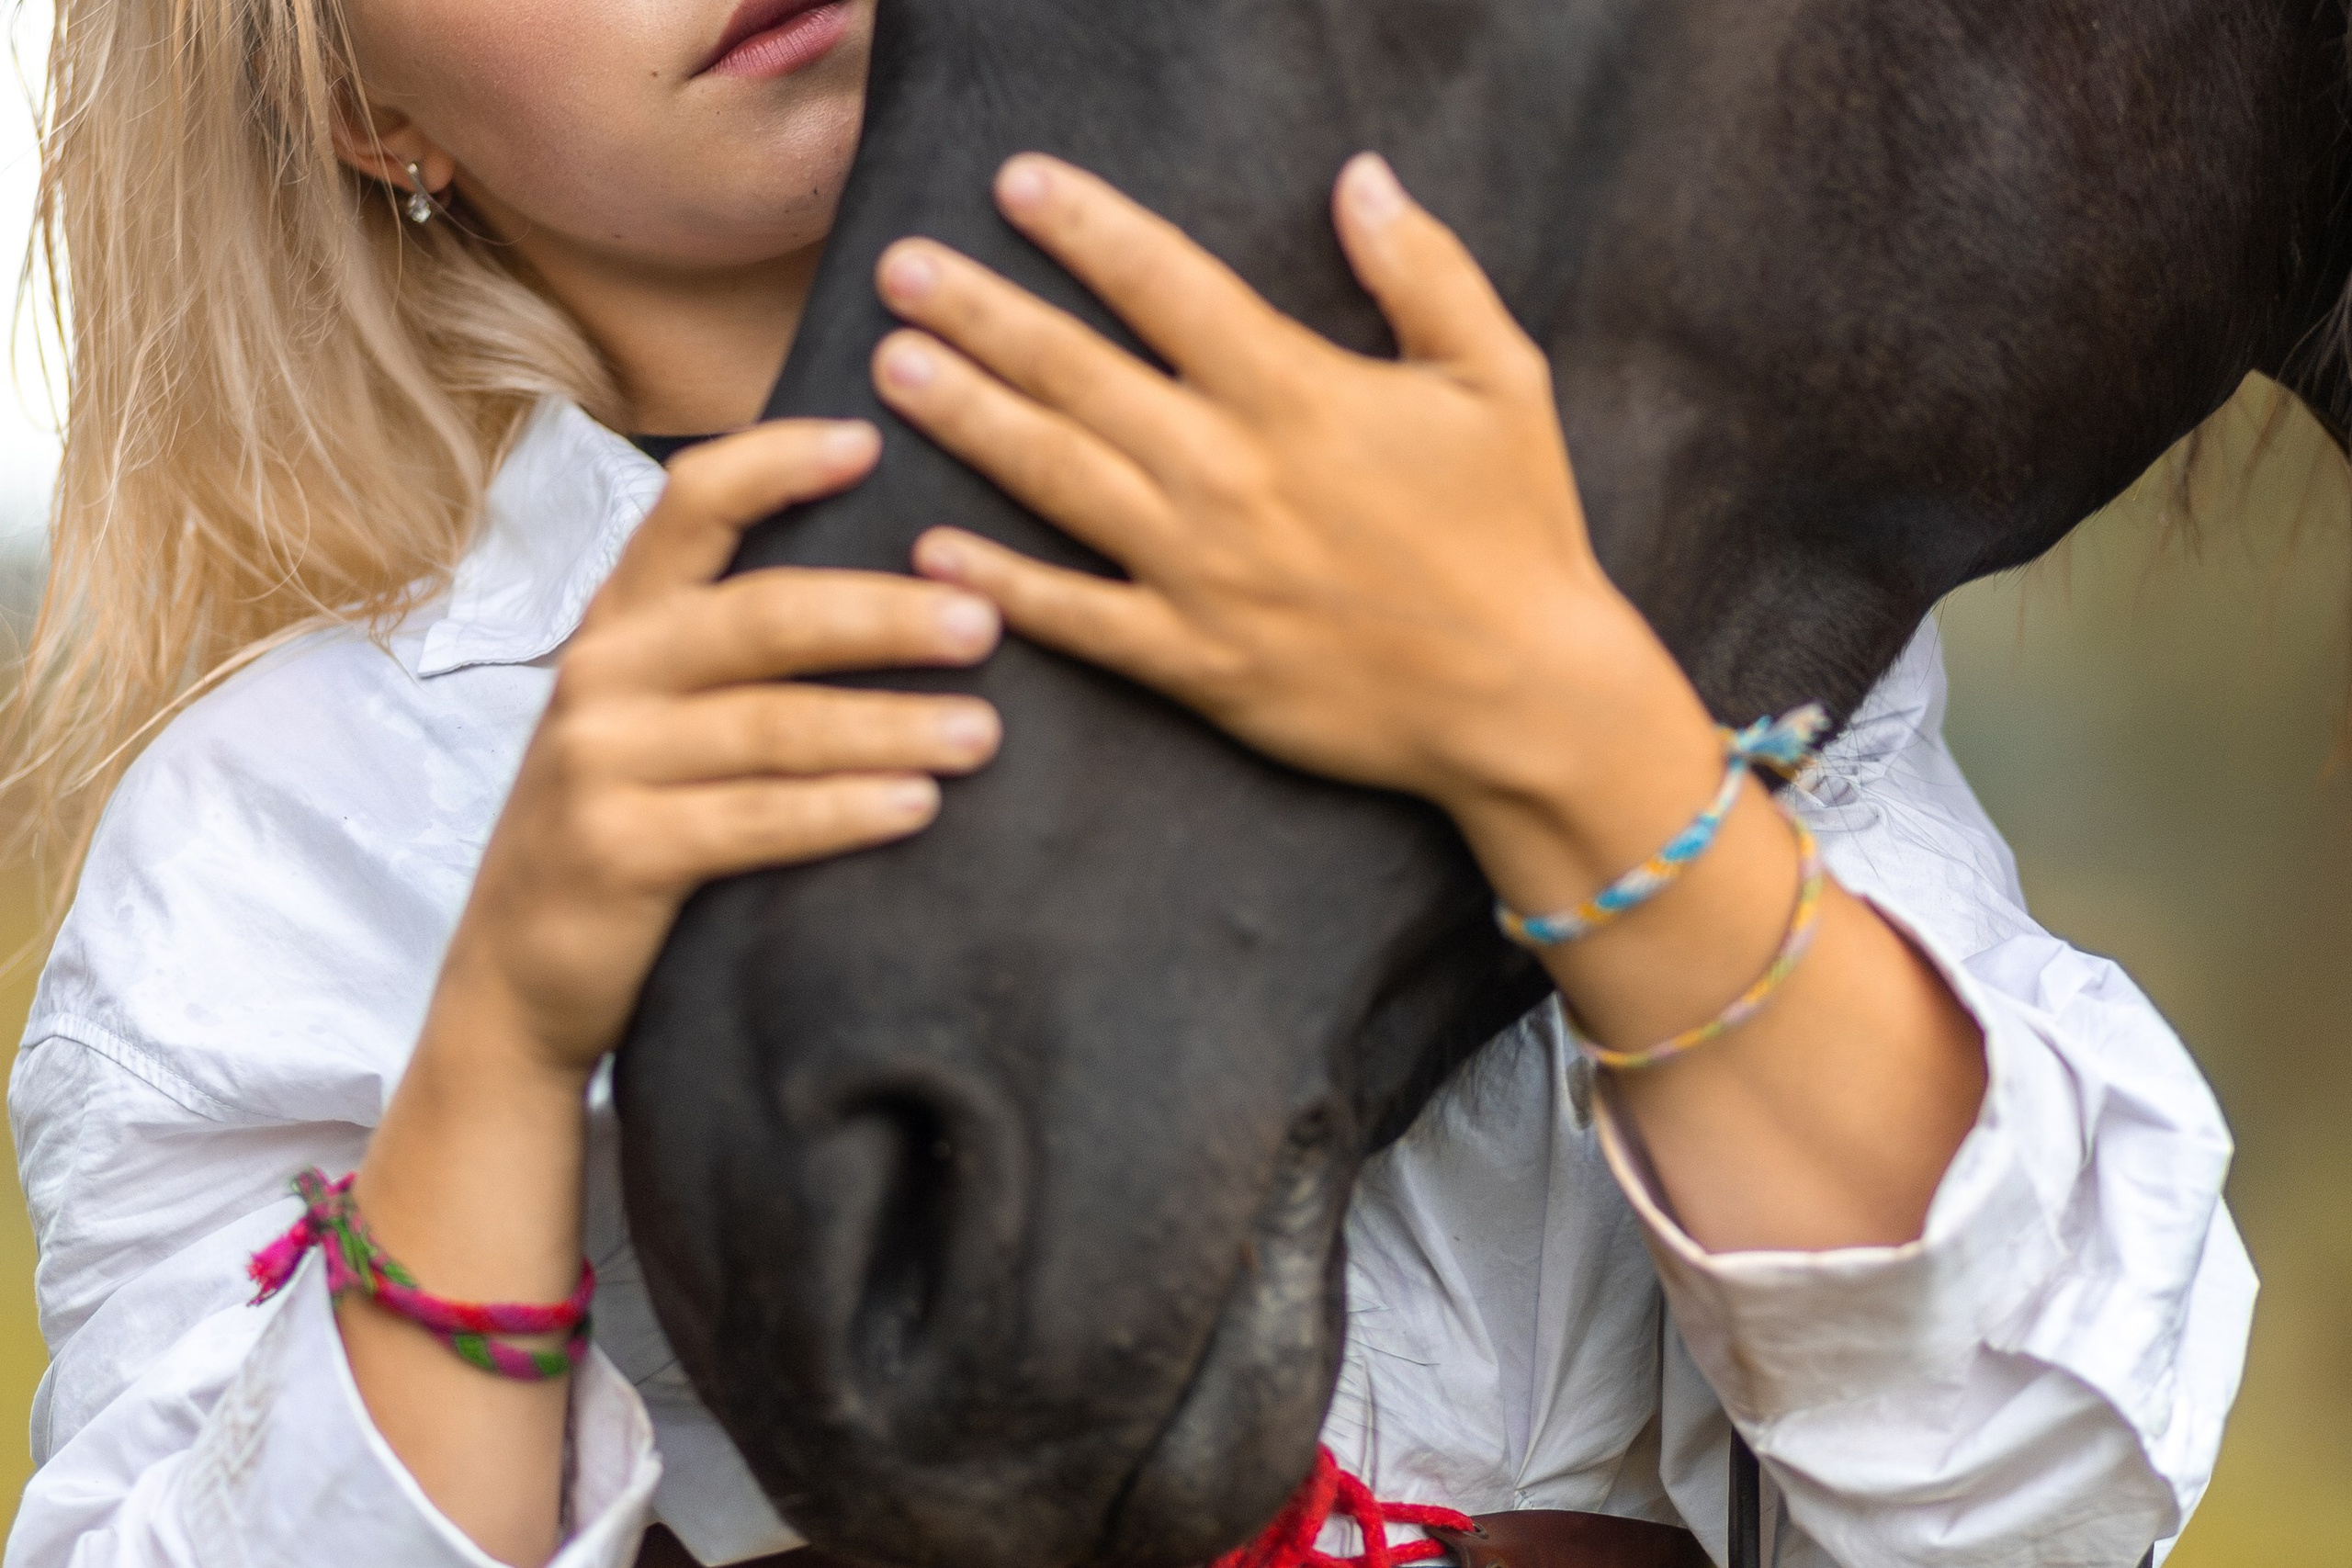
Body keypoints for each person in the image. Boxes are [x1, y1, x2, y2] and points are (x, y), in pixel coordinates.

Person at [0, 0, 2249, 1564]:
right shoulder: (286, 818)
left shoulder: (1586, 554)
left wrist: (1560, 728)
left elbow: (2039, 1504)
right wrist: (501, 1040)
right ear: (362, 109)